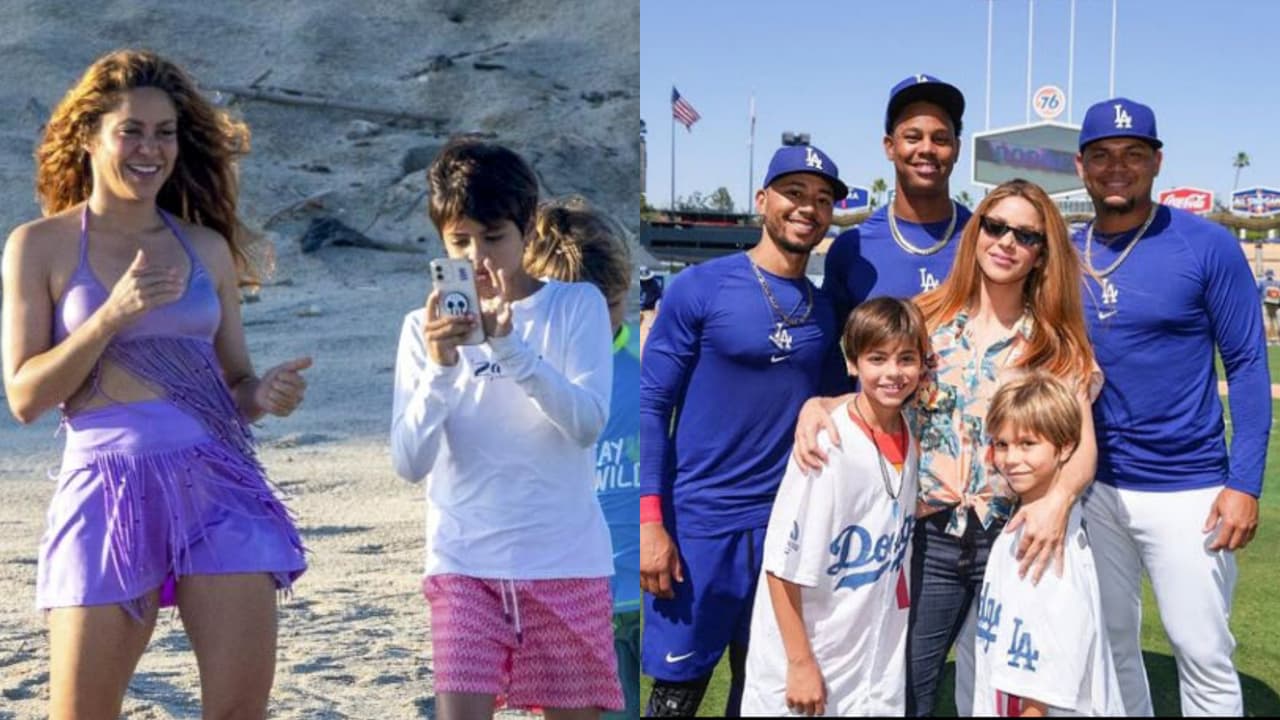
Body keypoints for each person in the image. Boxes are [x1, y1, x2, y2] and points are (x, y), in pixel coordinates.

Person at [0, 49, 309, 719]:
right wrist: (110, 316)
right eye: (131, 130)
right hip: (105, 489)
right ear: (88, 136)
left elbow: (237, 383)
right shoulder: (39, 246)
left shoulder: (205, 249)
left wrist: (266, 394)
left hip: (217, 486)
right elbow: (25, 397)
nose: (151, 148)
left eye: (164, 132)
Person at [795, 179, 1099, 716]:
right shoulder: (924, 317)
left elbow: (1081, 448)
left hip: (1018, 537)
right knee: (907, 686)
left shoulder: (1056, 341)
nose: (1006, 242)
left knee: (1016, 694)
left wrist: (1057, 502)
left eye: (1025, 236)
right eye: (995, 226)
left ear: (1041, 253)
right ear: (976, 231)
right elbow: (876, 386)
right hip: (928, 536)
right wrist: (821, 404)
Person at [390, 138, 623, 720]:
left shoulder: (577, 306)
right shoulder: (421, 328)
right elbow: (409, 462)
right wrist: (442, 368)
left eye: (494, 237)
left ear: (525, 229)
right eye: (460, 242)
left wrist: (510, 347)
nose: (479, 258)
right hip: (463, 561)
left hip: (565, 562)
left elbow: (587, 423)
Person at [1072, 97, 1269, 716]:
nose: (1117, 168)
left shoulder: (1205, 245)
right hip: (1092, 486)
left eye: (1133, 154)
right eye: (1102, 155)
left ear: (1156, 162)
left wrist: (1245, 484)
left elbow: (1248, 366)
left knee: (1202, 652)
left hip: (1189, 488)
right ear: (1082, 166)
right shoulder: (1062, 252)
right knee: (1108, 646)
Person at [640, 144, 846, 717]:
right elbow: (652, 406)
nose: (808, 208)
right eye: (795, 193)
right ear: (763, 201)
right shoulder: (700, 288)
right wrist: (650, 522)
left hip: (784, 527)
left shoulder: (823, 309)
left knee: (763, 692)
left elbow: (834, 406)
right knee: (677, 694)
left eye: (823, 199)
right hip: (701, 526)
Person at [741, 297, 927, 717]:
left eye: (906, 358)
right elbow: (780, 566)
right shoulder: (825, 445)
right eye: (877, 358)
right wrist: (800, 663)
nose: (893, 373)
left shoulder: (910, 432)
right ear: (852, 363)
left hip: (868, 656)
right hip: (807, 657)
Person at [526, 197, 640, 720]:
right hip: (568, 605)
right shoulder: (521, 380)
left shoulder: (647, 366)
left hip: (649, 599)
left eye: (609, 309)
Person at [974, 373, 1124, 717]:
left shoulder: (1049, 545)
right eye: (1002, 444)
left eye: (1028, 444)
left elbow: (1046, 684)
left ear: (1066, 447)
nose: (1011, 458)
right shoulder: (1025, 521)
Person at [823, 74, 971, 325]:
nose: (926, 149)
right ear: (890, 147)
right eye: (913, 137)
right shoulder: (853, 249)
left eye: (941, 139)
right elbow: (827, 356)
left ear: (956, 149)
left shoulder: (985, 242)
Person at [1258, 268, 1280, 343]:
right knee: (1276, 322)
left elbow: (1257, 292)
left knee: (1266, 322)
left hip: (1265, 304)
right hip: (1276, 305)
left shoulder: (1261, 282)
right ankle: (1277, 340)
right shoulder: (1277, 283)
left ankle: (1267, 340)